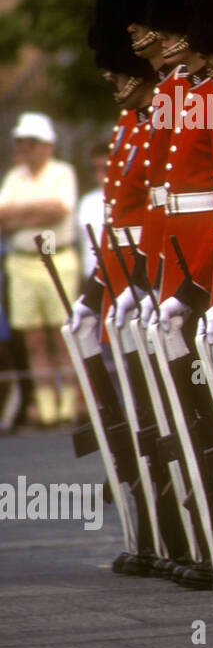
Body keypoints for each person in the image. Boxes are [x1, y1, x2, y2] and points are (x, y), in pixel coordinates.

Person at [0, 112, 80, 426]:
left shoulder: (63, 172)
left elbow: (59, 209)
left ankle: (70, 402)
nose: (24, 147)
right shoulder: (14, 177)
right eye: (21, 142)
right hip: (21, 262)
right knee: (32, 338)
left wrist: (17, 216)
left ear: (46, 145)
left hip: (56, 259)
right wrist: (35, 212)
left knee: (61, 335)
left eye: (30, 142)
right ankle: (45, 405)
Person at [76, 141, 110, 281]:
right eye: (94, 169)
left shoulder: (129, 200)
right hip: (90, 275)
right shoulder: (86, 202)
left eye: (105, 168)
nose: (99, 174)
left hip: (120, 277)